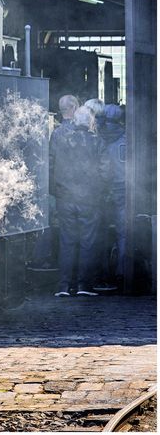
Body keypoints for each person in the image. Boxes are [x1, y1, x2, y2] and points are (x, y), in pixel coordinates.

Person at [51, 106, 107, 296]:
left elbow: (52, 166)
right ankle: (84, 285)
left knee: (67, 241)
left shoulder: (62, 140)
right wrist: (100, 191)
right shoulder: (97, 142)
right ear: (90, 122)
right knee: (87, 242)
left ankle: (64, 286)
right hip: (89, 199)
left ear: (75, 121)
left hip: (65, 197)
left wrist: (57, 190)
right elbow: (105, 170)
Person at [32, 94, 80, 271]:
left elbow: (50, 163)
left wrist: (53, 186)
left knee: (63, 231)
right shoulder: (81, 132)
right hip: (80, 191)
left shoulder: (56, 133)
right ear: (74, 107)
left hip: (60, 189)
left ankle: (64, 279)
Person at [98, 105, 126, 291]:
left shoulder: (98, 138)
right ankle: (122, 272)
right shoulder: (127, 139)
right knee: (123, 232)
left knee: (98, 233)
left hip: (103, 191)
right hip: (123, 189)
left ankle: (101, 274)